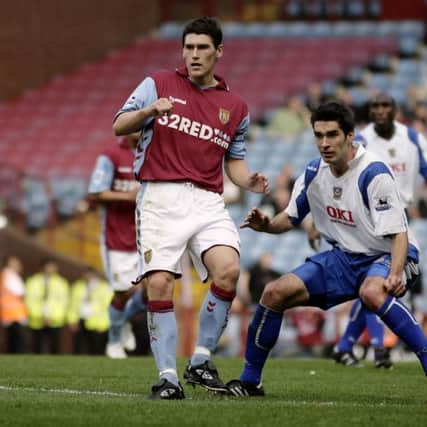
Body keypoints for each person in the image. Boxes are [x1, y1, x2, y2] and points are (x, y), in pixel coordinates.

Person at [226, 101, 427, 405]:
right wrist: (266, 226)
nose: (324, 143)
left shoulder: (373, 173)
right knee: (273, 293)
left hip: (389, 252)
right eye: (318, 135)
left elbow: (399, 233)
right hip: (344, 257)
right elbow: (290, 217)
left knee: (372, 292)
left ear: (350, 136)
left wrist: (397, 271)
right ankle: (250, 381)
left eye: (332, 135)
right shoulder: (313, 172)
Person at [113, 16, 269, 399]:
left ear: (219, 52)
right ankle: (167, 377)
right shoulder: (158, 83)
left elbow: (233, 160)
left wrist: (247, 180)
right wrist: (149, 112)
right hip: (160, 197)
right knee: (160, 283)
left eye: (203, 48)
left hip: (207, 199)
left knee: (229, 270)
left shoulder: (236, 106)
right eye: (189, 47)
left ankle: (200, 360)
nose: (194, 54)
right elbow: (119, 124)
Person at [324, 94, 427, 369]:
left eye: (385, 106)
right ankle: (378, 347)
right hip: (367, 215)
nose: (380, 111)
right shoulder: (361, 139)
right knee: (376, 281)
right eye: (375, 107)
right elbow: (335, 176)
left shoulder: (412, 138)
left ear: (396, 110)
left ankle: (347, 344)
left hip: (399, 215)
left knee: (378, 285)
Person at [88, 131, 146, 359]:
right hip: (118, 236)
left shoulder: (155, 153)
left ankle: (122, 321)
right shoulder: (111, 156)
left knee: (155, 290)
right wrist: (128, 197)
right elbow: (96, 192)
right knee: (122, 293)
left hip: (149, 234)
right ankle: (114, 337)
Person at [25, 259, 69, 354]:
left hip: (55, 321)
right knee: (36, 346)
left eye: (52, 267)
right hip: (36, 320)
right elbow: (29, 301)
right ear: (42, 267)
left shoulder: (62, 283)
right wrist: (38, 316)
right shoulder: (33, 281)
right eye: (48, 266)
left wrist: (53, 317)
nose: (50, 269)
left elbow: (64, 302)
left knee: (55, 347)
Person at [68, 267, 113, 355]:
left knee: (96, 348)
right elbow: (73, 305)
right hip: (81, 319)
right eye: (86, 275)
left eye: (90, 275)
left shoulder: (104, 287)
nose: (88, 277)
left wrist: (104, 324)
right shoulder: (78, 286)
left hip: (98, 323)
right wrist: (72, 320)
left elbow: (108, 307)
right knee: (79, 348)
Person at [0, 255, 27, 354]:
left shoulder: (8, 275)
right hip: (13, 313)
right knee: (16, 339)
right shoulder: (9, 275)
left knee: (13, 338)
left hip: (11, 312)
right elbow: (20, 291)